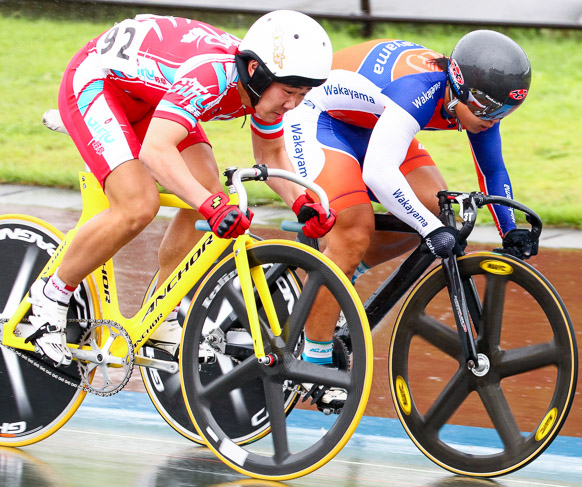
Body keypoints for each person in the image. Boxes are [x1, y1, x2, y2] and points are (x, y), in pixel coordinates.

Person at [25, 10, 336, 367]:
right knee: (138, 205)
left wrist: (302, 203)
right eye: (289, 92)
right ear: (255, 71)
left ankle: (162, 312)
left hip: (153, 99)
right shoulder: (211, 78)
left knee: (208, 192)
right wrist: (210, 206)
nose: (293, 104)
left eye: (303, 94)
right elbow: (156, 151)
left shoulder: (265, 84)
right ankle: (49, 297)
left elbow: (271, 152)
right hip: (99, 85)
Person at [282, 31, 537, 403]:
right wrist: (429, 230)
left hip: (373, 123)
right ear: (460, 87)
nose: (493, 120)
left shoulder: (477, 104)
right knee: (354, 230)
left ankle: (339, 274)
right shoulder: (420, 90)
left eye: (504, 113)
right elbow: (379, 173)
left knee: (438, 209)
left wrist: (510, 231)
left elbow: (493, 170)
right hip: (318, 119)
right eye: (487, 110)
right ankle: (315, 361)